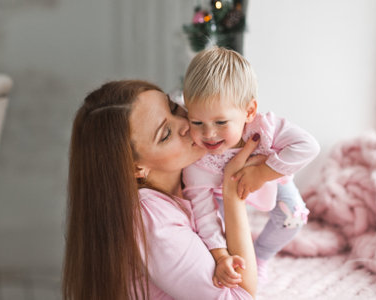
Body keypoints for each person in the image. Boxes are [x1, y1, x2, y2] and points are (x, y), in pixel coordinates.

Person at [62, 80, 260, 300]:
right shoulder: (152, 219)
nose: (185, 124)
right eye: (165, 134)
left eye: (174, 108)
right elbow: (238, 297)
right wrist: (233, 189)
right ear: (136, 167)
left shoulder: (189, 180)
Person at [181, 46, 321, 286]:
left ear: (249, 111)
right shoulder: (197, 161)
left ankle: (262, 256)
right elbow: (203, 215)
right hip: (225, 196)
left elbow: (309, 146)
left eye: (220, 122)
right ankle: (246, 260)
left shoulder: (265, 128)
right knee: (229, 234)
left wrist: (262, 172)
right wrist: (221, 255)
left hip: (272, 181)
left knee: (293, 218)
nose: (208, 134)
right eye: (197, 122)